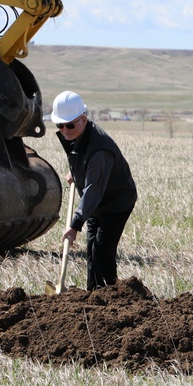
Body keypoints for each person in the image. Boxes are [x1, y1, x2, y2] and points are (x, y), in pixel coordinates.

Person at [52, 90, 137, 290]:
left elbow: (93, 191)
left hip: (116, 202)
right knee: (92, 250)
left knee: (102, 251)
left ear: (83, 119)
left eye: (70, 124)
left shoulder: (100, 151)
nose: (65, 130)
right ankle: (94, 294)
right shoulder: (77, 135)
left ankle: (112, 295)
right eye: (60, 125)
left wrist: (74, 225)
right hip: (97, 203)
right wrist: (77, 172)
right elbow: (80, 158)